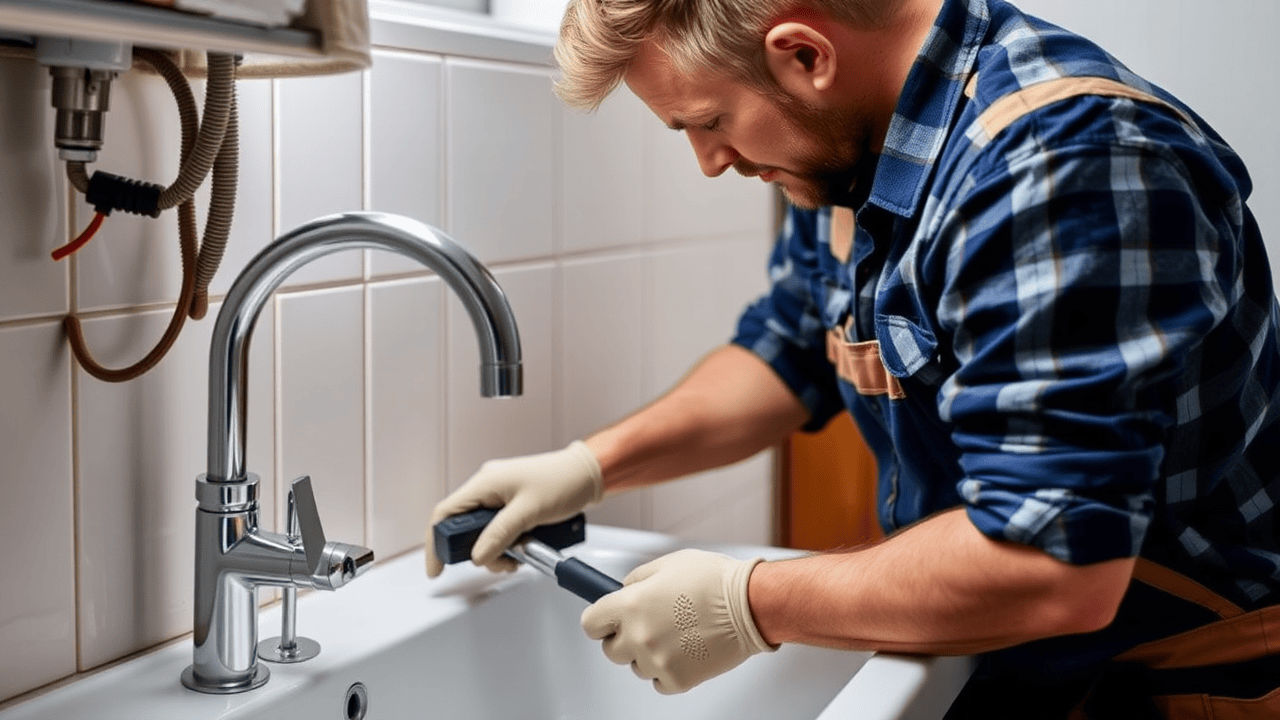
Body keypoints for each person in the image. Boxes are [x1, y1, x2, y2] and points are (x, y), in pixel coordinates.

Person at [426, 0, 1280, 716]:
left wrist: (749, 601)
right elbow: (791, 349)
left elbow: (1053, 565)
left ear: (803, 55)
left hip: (1180, 677)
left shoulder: (1064, 161)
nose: (712, 162)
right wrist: (587, 464)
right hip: (1013, 656)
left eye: (710, 122)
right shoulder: (850, 142)